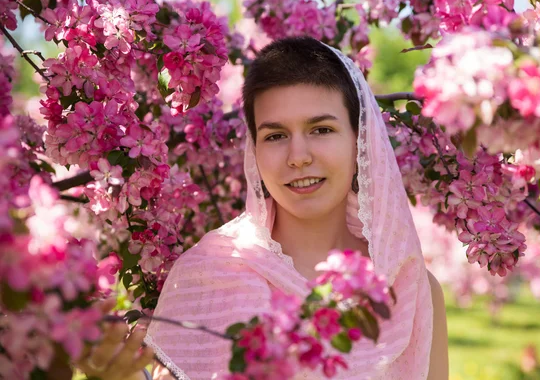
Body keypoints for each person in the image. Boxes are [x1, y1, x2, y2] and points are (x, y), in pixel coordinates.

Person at [78, 36, 449, 380]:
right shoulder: (209, 274)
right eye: (275, 136)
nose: (298, 157)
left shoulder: (410, 284)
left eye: (321, 130)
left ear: (360, 139)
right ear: (254, 150)